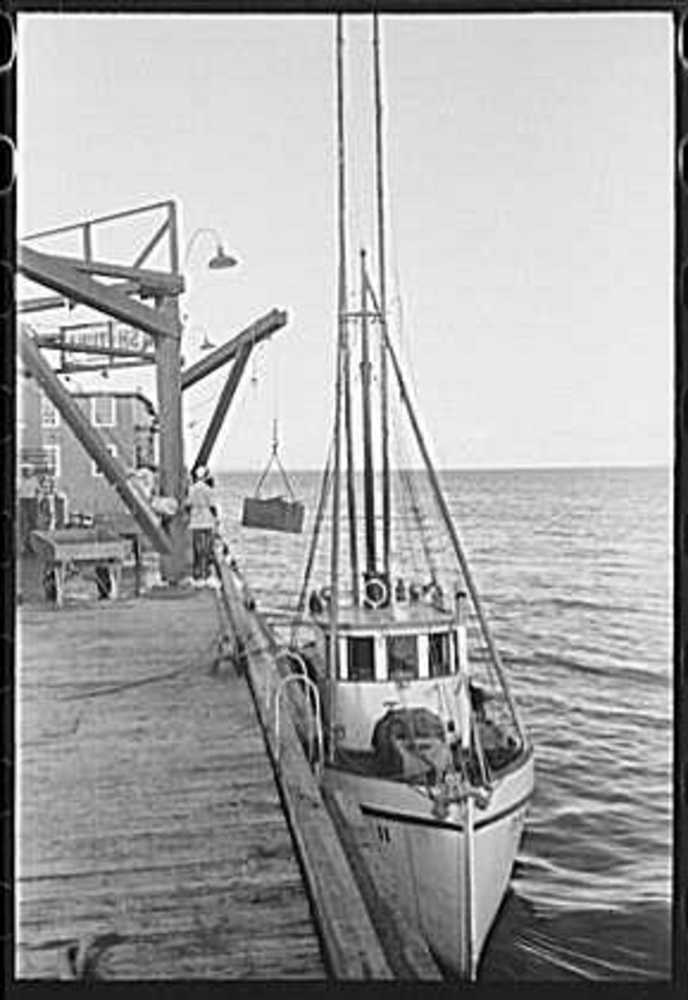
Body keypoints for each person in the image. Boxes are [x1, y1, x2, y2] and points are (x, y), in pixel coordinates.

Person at [187, 466, 219, 583]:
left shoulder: (191, 489)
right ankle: (205, 573)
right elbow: (212, 506)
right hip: (208, 521)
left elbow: (188, 504)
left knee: (197, 549)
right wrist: (216, 518)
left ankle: (196, 574)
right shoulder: (208, 489)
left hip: (195, 521)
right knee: (207, 549)